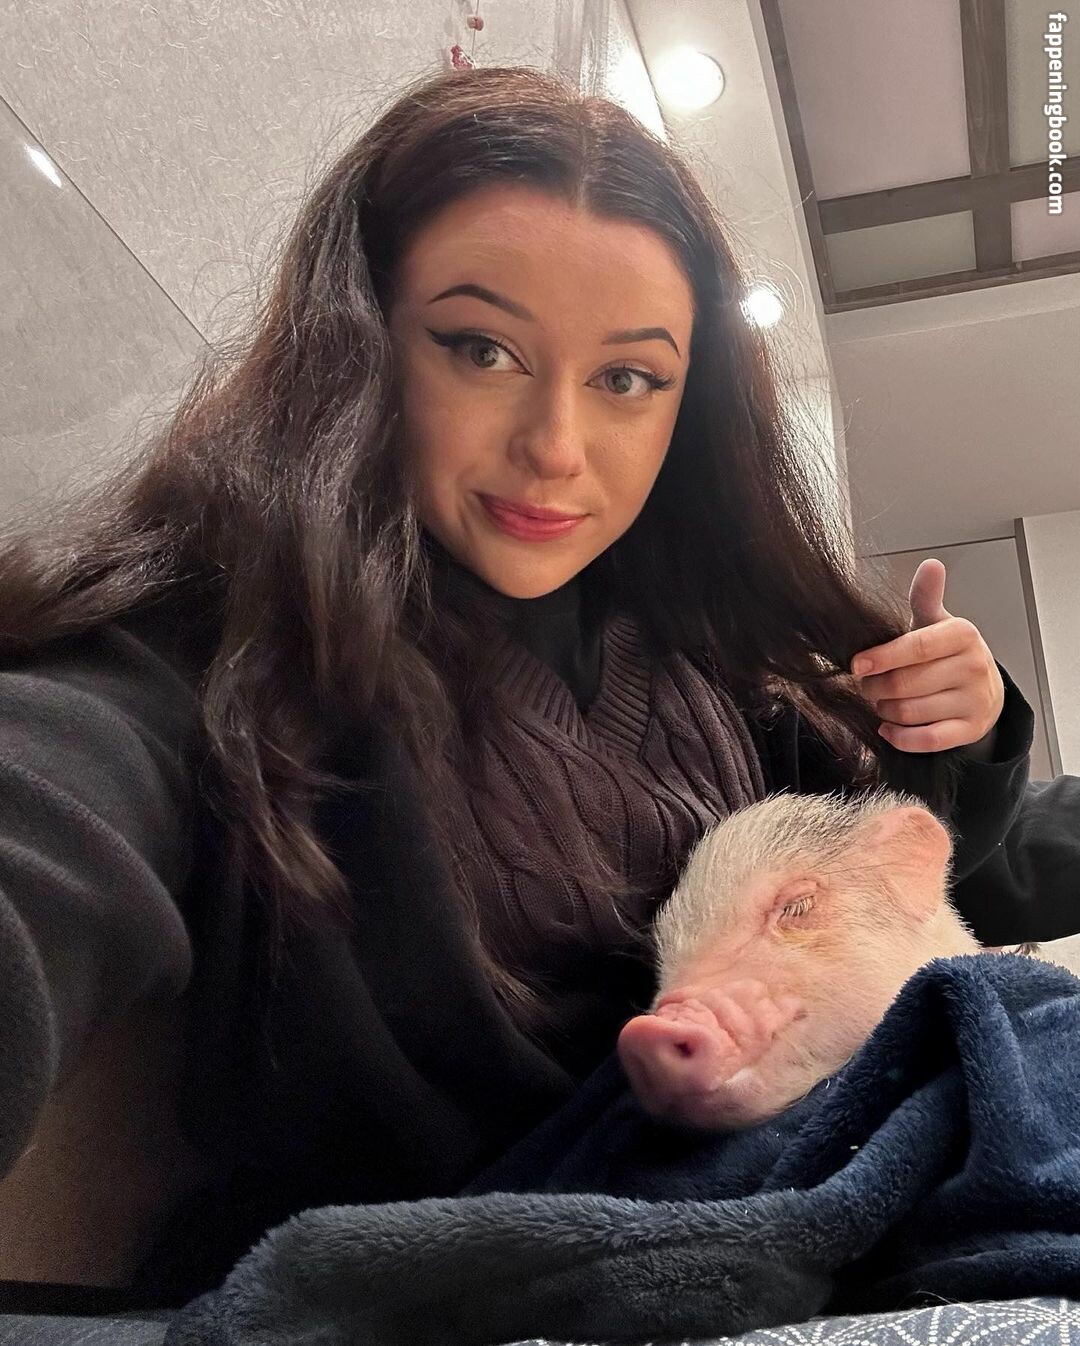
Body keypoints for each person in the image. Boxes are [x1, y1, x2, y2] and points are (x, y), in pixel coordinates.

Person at [0, 63, 1064, 1313]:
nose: (556, 446)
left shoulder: (713, 672)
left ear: (687, 406)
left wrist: (960, 738)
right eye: (483, 349)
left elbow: (934, 877)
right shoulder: (216, 652)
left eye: (627, 378)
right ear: (362, 341)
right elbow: (46, 816)